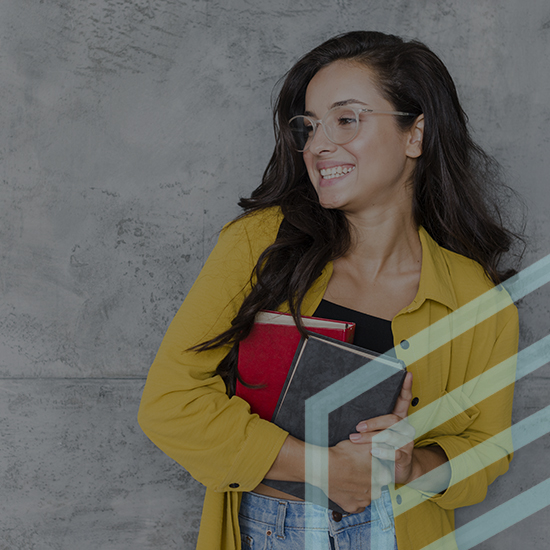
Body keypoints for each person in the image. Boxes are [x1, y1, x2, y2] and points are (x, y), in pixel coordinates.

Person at [138, 31, 521, 550]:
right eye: (310, 126)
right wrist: (322, 467)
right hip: (269, 529)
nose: (318, 144)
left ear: (416, 135)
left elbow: (486, 450)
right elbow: (170, 401)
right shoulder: (259, 244)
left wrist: (411, 466)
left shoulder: (477, 298)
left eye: (346, 119)